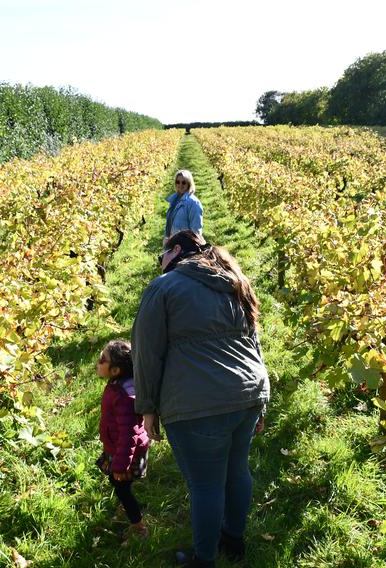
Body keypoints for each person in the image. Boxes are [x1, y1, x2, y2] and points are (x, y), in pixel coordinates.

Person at [132, 230, 269, 567]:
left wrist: (147, 407)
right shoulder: (235, 281)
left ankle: (204, 560)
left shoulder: (163, 288)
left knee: (206, 485)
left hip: (199, 404)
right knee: (237, 471)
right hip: (248, 392)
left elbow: (146, 354)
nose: (159, 261)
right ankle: (233, 542)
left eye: (161, 253)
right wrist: (261, 402)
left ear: (175, 250)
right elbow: (254, 343)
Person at [95, 339, 150, 544]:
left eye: (103, 360)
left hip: (125, 452)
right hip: (119, 448)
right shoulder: (119, 386)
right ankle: (127, 503)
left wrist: (120, 465)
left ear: (116, 370)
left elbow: (129, 434)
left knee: (121, 487)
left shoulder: (124, 396)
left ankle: (138, 525)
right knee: (121, 485)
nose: (98, 362)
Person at [164, 170, 204, 244]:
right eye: (178, 182)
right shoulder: (174, 200)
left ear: (189, 184)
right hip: (174, 243)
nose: (180, 185)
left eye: (184, 182)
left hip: (185, 246)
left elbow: (196, 230)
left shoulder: (194, 203)